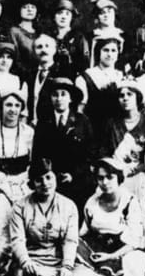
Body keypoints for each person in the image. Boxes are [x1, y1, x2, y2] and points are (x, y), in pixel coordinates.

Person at [32, 78, 96, 217]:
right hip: (50, 182)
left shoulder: (82, 121)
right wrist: (48, 174)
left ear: (70, 98)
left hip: (77, 181)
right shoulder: (44, 122)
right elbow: (38, 154)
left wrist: (73, 174)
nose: (59, 98)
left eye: (63, 94)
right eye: (55, 94)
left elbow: (90, 154)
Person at [9, 158, 79, 276]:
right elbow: (17, 240)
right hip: (31, 261)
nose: (45, 183)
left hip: (60, 261)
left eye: (48, 177)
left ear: (56, 178)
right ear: (32, 184)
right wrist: (25, 262)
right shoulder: (19, 207)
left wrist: (67, 266)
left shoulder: (69, 206)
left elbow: (70, 240)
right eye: (39, 180)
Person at [77, 158, 143, 276]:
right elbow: (84, 232)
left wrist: (112, 256)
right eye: (100, 178)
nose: (105, 182)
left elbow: (135, 241)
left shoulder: (129, 202)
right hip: (97, 249)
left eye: (110, 177)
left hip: (122, 252)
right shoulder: (92, 203)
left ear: (118, 177)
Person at [99, 79, 145, 199]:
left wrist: (137, 169)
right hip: (116, 174)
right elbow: (104, 151)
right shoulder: (112, 123)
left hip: (142, 175)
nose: (125, 98)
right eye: (121, 96)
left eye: (129, 94)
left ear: (138, 97)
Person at [0, 91, 33, 202]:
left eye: (17, 106)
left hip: (24, 183)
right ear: (1, 106)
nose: (13, 110)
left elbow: (33, 162)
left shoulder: (29, 132)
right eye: (8, 105)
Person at [75, 35, 124, 140]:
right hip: (94, 129)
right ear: (99, 52)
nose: (109, 54)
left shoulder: (122, 76)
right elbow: (81, 109)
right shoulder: (85, 77)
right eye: (105, 50)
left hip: (118, 130)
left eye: (113, 50)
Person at [24, 34, 64, 125]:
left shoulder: (62, 73)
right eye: (39, 47)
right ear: (34, 51)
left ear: (54, 50)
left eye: (47, 46)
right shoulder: (29, 75)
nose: (43, 50)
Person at [49, 0, 90, 77]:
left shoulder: (79, 37)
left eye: (67, 14)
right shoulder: (49, 37)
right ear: (54, 17)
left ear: (72, 17)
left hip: (73, 79)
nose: (63, 17)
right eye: (60, 13)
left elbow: (85, 64)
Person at [87, 0, 128, 71]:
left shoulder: (124, 36)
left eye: (109, 12)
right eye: (102, 13)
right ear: (97, 16)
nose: (106, 15)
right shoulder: (90, 36)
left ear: (115, 14)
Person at [9, 0, 40, 79]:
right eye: (25, 7)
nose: (29, 10)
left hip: (38, 76)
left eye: (33, 7)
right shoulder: (14, 31)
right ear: (19, 10)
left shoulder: (40, 34)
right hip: (20, 76)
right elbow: (15, 58)